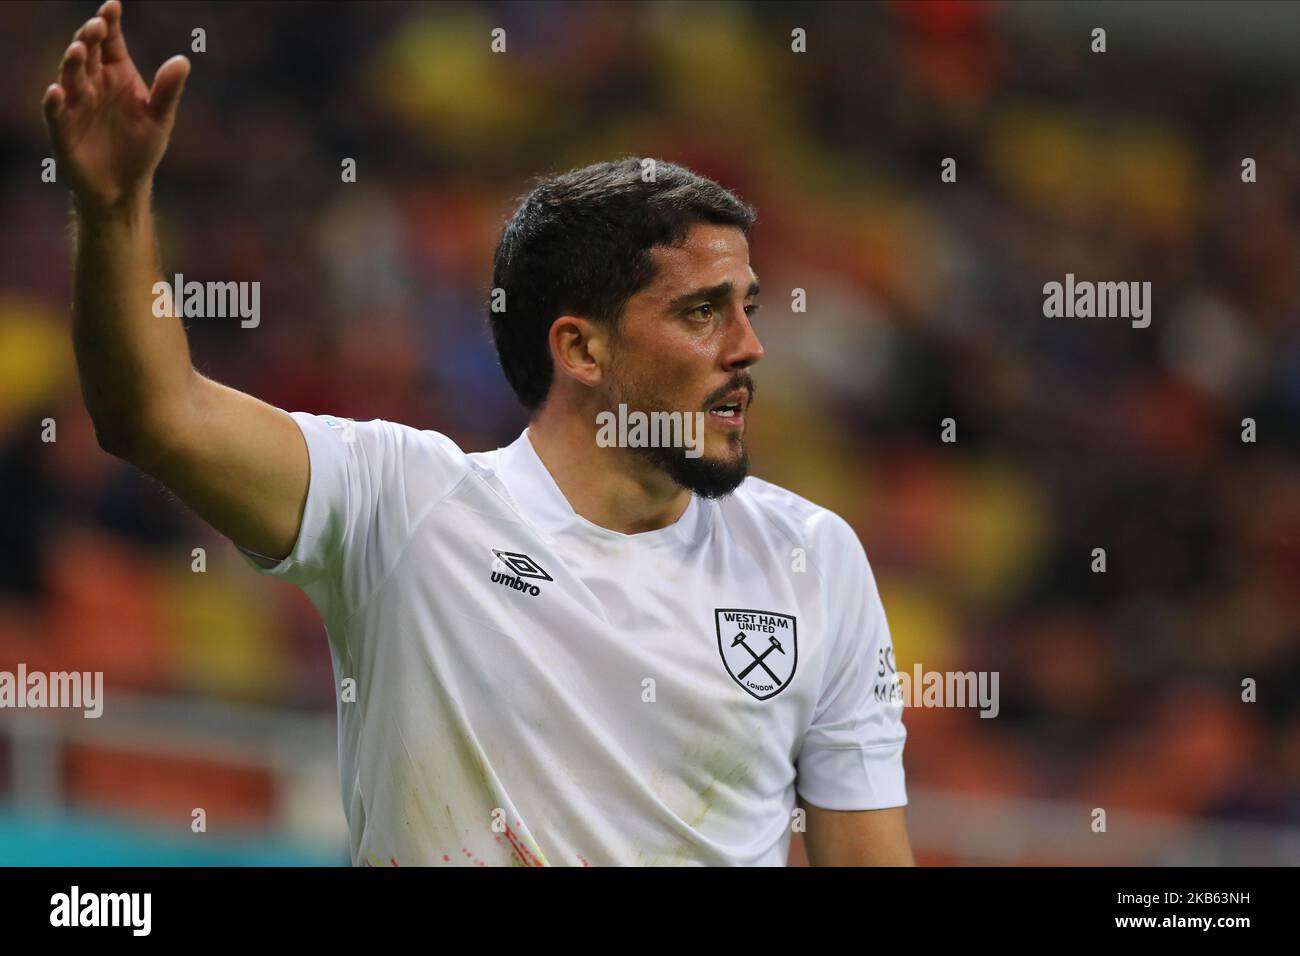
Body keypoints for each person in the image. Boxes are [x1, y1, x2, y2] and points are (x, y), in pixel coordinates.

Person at [43, 0, 913, 866]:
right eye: (702, 313)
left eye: (747, 310)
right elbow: (155, 415)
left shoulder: (811, 557)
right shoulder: (405, 505)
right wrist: (115, 211)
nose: (750, 348)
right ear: (581, 347)